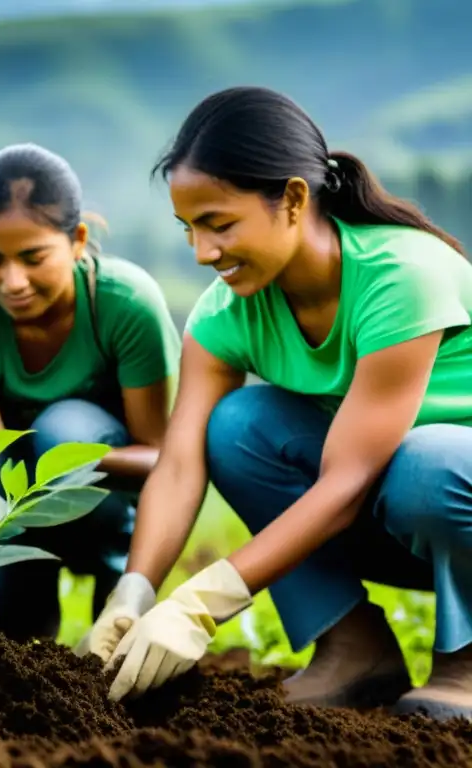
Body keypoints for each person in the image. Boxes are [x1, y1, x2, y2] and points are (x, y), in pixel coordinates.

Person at [84, 85, 472, 721]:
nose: (203, 253)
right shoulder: (225, 313)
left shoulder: (401, 276)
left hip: (441, 494)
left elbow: (349, 480)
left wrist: (205, 602)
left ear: (293, 199)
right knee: (233, 426)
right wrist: (136, 592)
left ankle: (466, 659)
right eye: (189, 229)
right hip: (393, 514)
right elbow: (179, 465)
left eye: (220, 223)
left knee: (422, 466)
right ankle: (353, 649)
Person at [0, 143, 182, 642]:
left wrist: (66, 461)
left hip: (110, 505)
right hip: (16, 510)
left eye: (33, 257)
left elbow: (162, 457)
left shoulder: (126, 305)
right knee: (8, 658)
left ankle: (115, 578)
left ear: (77, 240)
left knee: (62, 427)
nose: (12, 282)